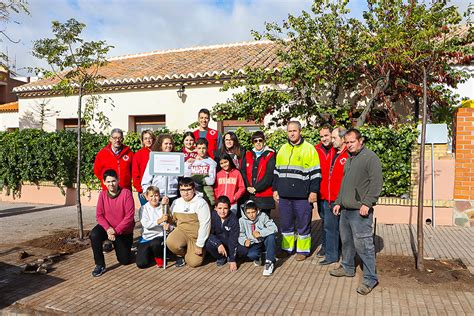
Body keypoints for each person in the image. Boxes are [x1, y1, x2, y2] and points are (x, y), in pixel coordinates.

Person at [330, 128, 383, 296]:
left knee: (364, 246)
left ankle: (370, 278)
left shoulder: (370, 158)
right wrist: (338, 201)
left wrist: (368, 203)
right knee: (347, 242)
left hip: (360, 211)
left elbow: (376, 183)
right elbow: (345, 183)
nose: (349, 145)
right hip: (345, 210)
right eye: (346, 142)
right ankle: (348, 267)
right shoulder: (350, 159)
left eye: (352, 142)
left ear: (361, 141)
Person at [273, 121, 321, 261]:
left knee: (303, 223)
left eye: (294, 131)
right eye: (289, 131)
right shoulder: (282, 149)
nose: (292, 133)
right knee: (286, 224)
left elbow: (316, 173)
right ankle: (286, 248)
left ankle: (303, 250)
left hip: (302, 196)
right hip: (284, 195)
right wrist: (275, 189)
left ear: (300, 131)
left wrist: (313, 192)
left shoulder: (309, 149)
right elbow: (277, 172)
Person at [90, 169, 135, 277]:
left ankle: (121, 247)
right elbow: (99, 215)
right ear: (104, 182)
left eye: (114, 181)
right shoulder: (102, 195)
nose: (111, 184)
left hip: (122, 231)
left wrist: (115, 231)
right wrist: (108, 229)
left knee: (124, 260)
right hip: (108, 228)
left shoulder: (126, 193)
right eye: (108, 181)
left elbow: (129, 217)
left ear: (118, 180)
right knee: (94, 235)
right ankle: (99, 264)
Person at [318, 127, 348, 266]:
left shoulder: (348, 155)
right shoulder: (332, 152)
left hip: (340, 200)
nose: (331, 140)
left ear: (343, 139)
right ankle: (331, 256)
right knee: (330, 228)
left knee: (344, 230)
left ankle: (347, 258)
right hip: (328, 199)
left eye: (334, 138)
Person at [167, 177, 211, 268]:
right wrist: (165, 207)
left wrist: (200, 245)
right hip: (181, 232)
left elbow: (205, 225)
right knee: (171, 242)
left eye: (188, 189)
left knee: (193, 263)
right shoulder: (176, 202)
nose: (185, 193)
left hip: (195, 237)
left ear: (194, 189)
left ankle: (199, 251)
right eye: (182, 190)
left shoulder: (201, 203)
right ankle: (182, 254)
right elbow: (172, 220)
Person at [237, 201, 278, 276]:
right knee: (252, 255)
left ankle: (269, 262)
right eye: (248, 213)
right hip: (254, 243)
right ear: (245, 213)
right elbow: (241, 234)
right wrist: (244, 241)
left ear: (257, 210)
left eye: (253, 212)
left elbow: (274, 228)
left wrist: (260, 233)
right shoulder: (241, 220)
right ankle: (261, 256)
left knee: (271, 237)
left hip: (264, 239)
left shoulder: (262, 216)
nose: (251, 215)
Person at [136, 186, 172, 269]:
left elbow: (171, 223)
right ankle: (151, 253)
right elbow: (146, 224)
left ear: (159, 196)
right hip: (147, 237)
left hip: (159, 236)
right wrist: (159, 221)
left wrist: (168, 227)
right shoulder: (143, 208)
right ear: (147, 197)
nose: (154, 198)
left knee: (155, 243)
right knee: (141, 264)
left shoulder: (164, 207)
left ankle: (159, 257)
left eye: (156, 195)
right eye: (151, 196)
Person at [241, 131, 275, 217]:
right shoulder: (248, 154)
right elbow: (243, 172)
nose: (258, 143)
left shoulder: (270, 155)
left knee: (264, 221)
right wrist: (248, 186)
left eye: (260, 140)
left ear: (264, 141)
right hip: (250, 195)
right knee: (251, 222)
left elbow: (269, 176)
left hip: (264, 196)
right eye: (255, 141)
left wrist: (256, 188)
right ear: (253, 143)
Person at [141, 134, 179, 207]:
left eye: (170, 143)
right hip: (158, 196)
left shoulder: (176, 158)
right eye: (166, 143)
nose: (168, 145)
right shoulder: (154, 159)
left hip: (173, 196)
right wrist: (147, 193)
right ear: (160, 145)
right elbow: (146, 180)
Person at [205, 195, 239, 271]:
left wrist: (233, 260)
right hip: (219, 242)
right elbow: (208, 233)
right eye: (220, 208)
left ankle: (230, 256)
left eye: (225, 208)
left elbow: (233, 240)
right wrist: (218, 244)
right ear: (215, 208)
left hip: (229, 242)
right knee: (208, 244)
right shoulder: (213, 215)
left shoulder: (234, 219)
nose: (222, 211)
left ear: (229, 208)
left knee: (242, 250)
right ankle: (221, 257)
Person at [314, 124, 334, 258]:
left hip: (334, 194)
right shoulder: (315, 150)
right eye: (321, 136)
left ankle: (333, 247)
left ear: (332, 135)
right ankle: (325, 246)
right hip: (321, 193)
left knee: (332, 223)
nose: (324, 139)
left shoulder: (338, 149)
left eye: (326, 135)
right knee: (325, 221)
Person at [184, 138, 217, 207]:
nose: (201, 150)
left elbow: (211, 181)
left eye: (204, 148)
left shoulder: (212, 163)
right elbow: (186, 177)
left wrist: (194, 177)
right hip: (192, 194)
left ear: (207, 148)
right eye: (199, 148)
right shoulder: (190, 162)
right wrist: (203, 176)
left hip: (207, 195)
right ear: (196, 149)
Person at [132, 130, 156, 206]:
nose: (148, 140)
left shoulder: (158, 153)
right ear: (142, 141)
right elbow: (135, 174)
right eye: (145, 138)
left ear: (154, 139)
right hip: (144, 190)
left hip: (157, 190)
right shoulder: (138, 154)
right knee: (146, 214)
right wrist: (141, 190)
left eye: (150, 138)